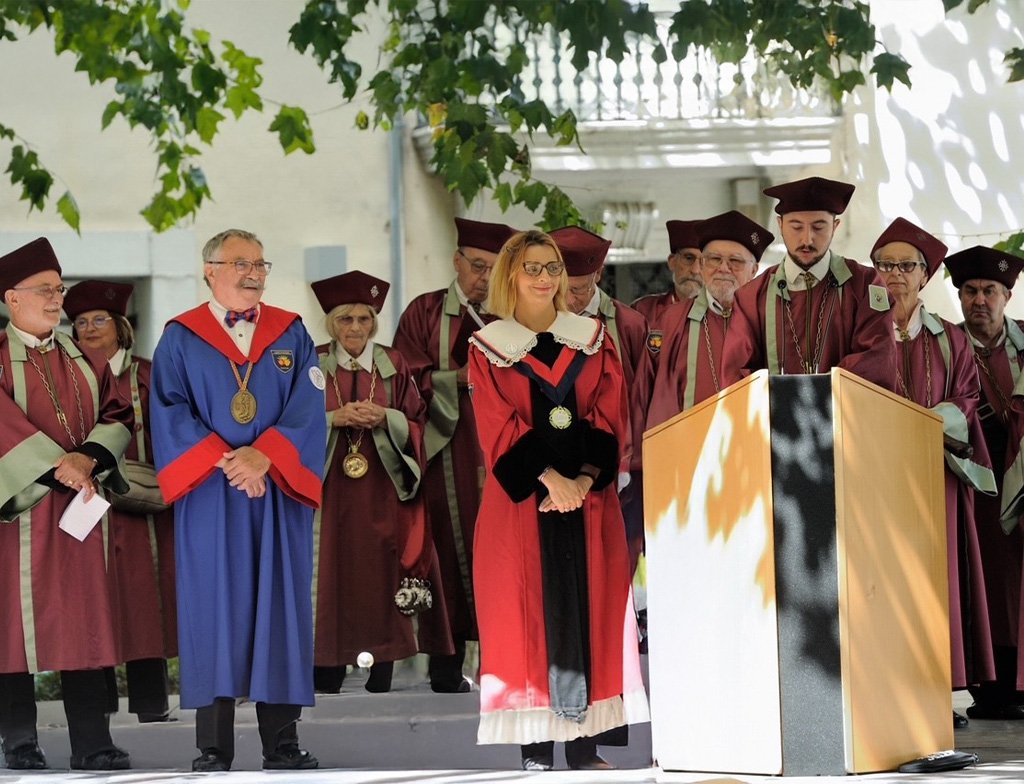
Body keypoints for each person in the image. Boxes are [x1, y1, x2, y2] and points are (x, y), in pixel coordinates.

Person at [467, 229, 649, 771]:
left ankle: (586, 747)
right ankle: (536, 749)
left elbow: (610, 415)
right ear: (511, 275)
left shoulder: (592, 339)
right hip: (521, 506)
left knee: (594, 609)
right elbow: (497, 428)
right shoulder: (487, 348)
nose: (544, 278)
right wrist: (551, 480)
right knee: (524, 615)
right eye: (532, 267)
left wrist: (583, 481)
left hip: (589, 503)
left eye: (552, 268)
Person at [150, 229, 326, 771]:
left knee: (282, 604)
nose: (254, 273)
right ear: (210, 270)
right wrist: (230, 461)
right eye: (240, 263)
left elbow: (309, 406)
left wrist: (265, 456)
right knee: (212, 607)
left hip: (277, 489)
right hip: (211, 490)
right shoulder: (180, 337)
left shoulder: (291, 332)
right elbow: (168, 411)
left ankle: (283, 743)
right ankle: (213, 747)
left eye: (260, 264)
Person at [0, 238, 132, 771]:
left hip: (81, 506)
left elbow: (119, 414)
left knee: (84, 620)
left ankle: (92, 744)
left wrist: (88, 459)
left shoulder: (88, 359)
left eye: (59, 289)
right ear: (12, 298)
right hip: (18, 510)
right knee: (12, 624)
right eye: (45, 291)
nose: (57, 300)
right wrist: (60, 467)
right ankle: (18, 742)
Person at [870, 220, 997, 729]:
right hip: (873, 475)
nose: (895, 274)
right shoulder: (864, 331)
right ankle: (882, 689)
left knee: (934, 583)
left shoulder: (949, 337)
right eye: (885, 265)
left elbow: (966, 398)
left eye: (907, 265)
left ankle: (936, 692)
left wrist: (924, 424)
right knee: (879, 583)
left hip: (933, 473)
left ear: (924, 275)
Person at [309, 270, 453, 695]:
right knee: (331, 572)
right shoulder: (312, 363)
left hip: (385, 487)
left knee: (382, 573)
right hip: (330, 489)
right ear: (331, 323)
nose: (356, 328)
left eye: (364, 319)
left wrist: (386, 417)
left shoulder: (394, 363)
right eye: (346, 319)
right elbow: (290, 423)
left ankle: (383, 665)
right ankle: (327, 666)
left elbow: (419, 420)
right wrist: (333, 418)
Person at [393, 216, 516, 693]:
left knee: (504, 554)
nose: (485, 278)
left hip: (502, 450)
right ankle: (446, 668)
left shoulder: (516, 312)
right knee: (444, 553)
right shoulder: (424, 313)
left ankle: (504, 670)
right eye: (478, 266)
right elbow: (404, 380)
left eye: (495, 269)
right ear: (456, 261)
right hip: (444, 453)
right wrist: (459, 380)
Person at [63, 280, 178, 725]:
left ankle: (151, 704)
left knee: (144, 599)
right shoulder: (66, 377)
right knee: (94, 602)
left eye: (100, 319)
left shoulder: (149, 374)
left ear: (120, 326)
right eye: (81, 322)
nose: (90, 328)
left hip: (143, 503)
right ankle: (100, 710)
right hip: (85, 506)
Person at [944, 245, 1024, 721]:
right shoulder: (945, 345)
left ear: (1007, 296)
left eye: (989, 291)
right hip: (972, 477)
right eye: (970, 291)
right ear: (959, 297)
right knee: (982, 582)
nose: (980, 300)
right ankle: (990, 689)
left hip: (1020, 476)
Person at [722, 176, 896, 389]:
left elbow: (877, 359)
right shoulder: (751, 296)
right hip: (774, 411)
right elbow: (736, 376)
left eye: (818, 227)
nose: (807, 239)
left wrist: (815, 395)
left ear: (835, 226)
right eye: (796, 227)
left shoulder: (865, 285)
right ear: (780, 225)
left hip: (845, 409)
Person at [550, 225, 654, 574]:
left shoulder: (629, 324)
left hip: (616, 462)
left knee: (614, 561)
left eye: (580, 289)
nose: (571, 300)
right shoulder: (541, 319)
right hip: (559, 462)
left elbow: (640, 397)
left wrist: (625, 460)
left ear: (598, 274)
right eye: (564, 289)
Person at [646, 210, 774, 428]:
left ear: (754, 270)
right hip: (688, 442)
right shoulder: (672, 321)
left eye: (735, 261)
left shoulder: (771, 320)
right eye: (715, 259)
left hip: (755, 439)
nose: (723, 268)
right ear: (703, 265)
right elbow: (648, 394)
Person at [631, 219, 704, 332]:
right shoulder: (644, 310)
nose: (695, 270)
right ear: (672, 262)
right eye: (689, 258)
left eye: (704, 262)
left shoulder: (721, 316)